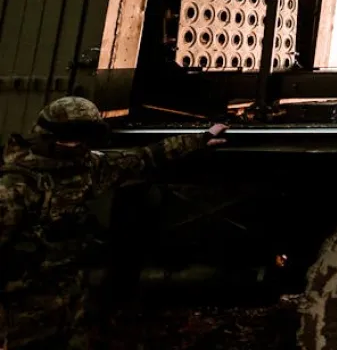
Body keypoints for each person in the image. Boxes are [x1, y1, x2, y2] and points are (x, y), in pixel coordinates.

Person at [0, 97, 227, 349]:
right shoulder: (15, 187)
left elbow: (145, 157)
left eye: (83, 137)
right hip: (23, 310)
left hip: (71, 302)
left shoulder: (88, 167)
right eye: (70, 137)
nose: (76, 145)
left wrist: (200, 139)